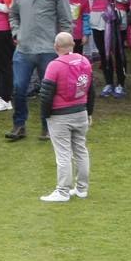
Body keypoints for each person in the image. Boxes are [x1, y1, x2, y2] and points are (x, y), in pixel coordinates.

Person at [7, 0, 72, 142]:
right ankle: (19, 125)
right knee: (19, 88)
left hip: (48, 51)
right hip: (24, 50)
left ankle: (48, 126)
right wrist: (16, 33)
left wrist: (63, 45)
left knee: (48, 91)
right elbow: (13, 15)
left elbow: (66, 20)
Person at [38, 31, 93, 202]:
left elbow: (46, 95)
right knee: (81, 150)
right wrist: (89, 112)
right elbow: (91, 90)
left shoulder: (55, 65)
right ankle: (82, 189)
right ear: (73, 45)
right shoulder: (84, 61)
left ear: (56, 47)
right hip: (81, 112)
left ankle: (62, 191)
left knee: (63, 154)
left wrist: (45, 116)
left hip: (60, 115)